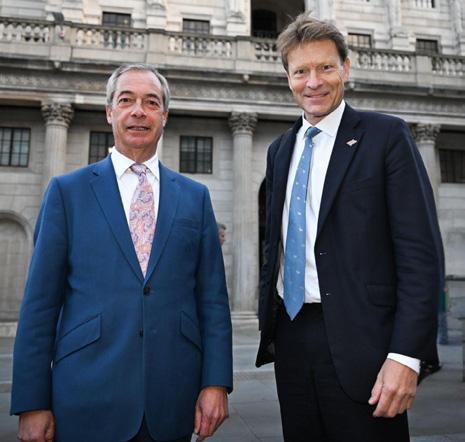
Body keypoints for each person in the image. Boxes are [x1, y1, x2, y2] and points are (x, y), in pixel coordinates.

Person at [11, 63, 232, 442]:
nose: (139, 111)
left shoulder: (195, 197)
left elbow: (212, 301)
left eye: (151, 102)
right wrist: (32, 402)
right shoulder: (67, 192)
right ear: (109, 111)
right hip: (85, 396)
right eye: (126, 100)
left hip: (172, 399)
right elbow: (40, 305)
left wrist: (216, 383)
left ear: (165, 115)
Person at [256, 13, 443, 442]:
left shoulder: (386, 136)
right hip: (292, 338)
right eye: (301, 71)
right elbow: (275, 248)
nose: (313, 82)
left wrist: (406, 355)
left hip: (367, 345)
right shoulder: (279, 151)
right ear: (288, 78)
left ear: (345, 68)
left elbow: (420, 253)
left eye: (325, 67)